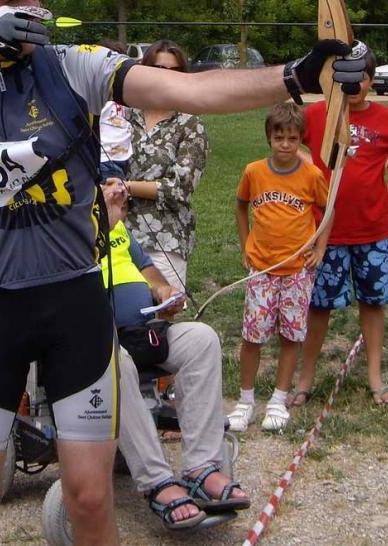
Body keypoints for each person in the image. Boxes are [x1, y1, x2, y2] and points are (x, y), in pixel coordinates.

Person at [0, 0, 366, 546]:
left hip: (74, 305)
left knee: (90, 499)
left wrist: (297, 75)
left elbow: (192, 90)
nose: (35, 9)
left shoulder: (76, 66)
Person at [100, 179, 249, 530]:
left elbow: (146, 268)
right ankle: (156, 481)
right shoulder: (66, 226)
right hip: (96, 339)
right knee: (114, 361)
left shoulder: (119, 227)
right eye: (105, 183)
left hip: (141, 331)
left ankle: (201, 467)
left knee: (201, 339)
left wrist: (161, 290)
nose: (115, 189)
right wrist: (98, 224)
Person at [293, 44, 388, 407]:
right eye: (347, 78)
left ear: (371, 80)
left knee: (373, 302)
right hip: (326, 232)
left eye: (363, 78)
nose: (355, 86)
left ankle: (374, 375)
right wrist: (307, 161)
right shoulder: (318, 114)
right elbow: (284, 134)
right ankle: (305, 379)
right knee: (319, 306)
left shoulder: (384, 117)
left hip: (372, 228)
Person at [228, 102, 330, 433]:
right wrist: (245, 244)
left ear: (301, 140)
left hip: (298, 270)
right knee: (253, 336)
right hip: (262, 268)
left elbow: (328, 210)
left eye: (292, 138)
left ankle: (278, 400)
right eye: (278, 138)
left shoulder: (312, 175)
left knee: (290, 335)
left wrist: (319, 247)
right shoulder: (254, 172)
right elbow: (241, 206)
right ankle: (245, 401)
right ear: (269, 138)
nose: (285, 145)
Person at [123, 40, 208, 294]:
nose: (166, 76)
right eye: (159, 68)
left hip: (165, 240)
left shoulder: (190, 123)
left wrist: (125, 187)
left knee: (162, 312)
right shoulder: (124, 114)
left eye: (175, 71)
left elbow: (179, 188)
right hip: (118, 236)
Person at [97, 38, 134, 181]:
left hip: (125, 157)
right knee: (113, 192)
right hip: (105, 158)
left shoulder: (126, 93)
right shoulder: (96, 92)